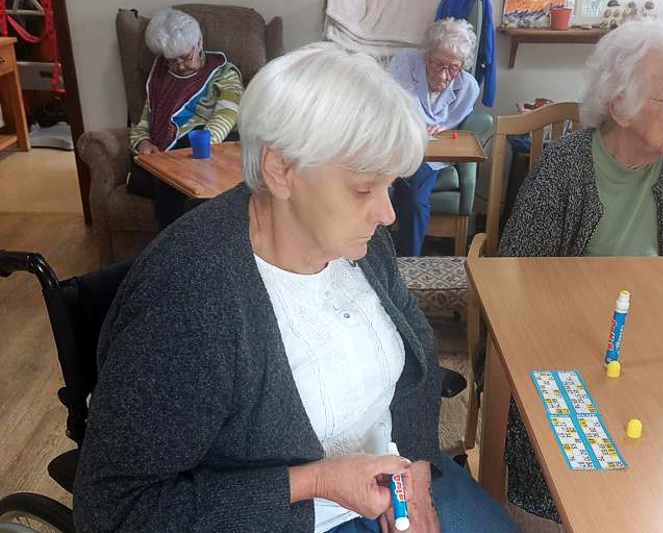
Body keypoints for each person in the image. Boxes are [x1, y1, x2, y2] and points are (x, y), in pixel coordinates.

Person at [73, 42, 520, 533]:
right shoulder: (190, 301)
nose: (388, 214)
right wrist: (316, 480)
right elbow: (115, 511)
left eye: (390, 186)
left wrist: (416, 473)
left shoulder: (359, 243)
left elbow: (416, 357)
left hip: (392, 486)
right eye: (365, 188)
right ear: (280, 169)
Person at [497, 18, 663, 524]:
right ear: (621, 107)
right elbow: (516, 274)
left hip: (652, 323)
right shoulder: (567, 168)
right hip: (566, 335)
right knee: (564, 449)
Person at [126, 8, 244, 229]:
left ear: (199, 43)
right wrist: (143, 143)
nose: (180, 65)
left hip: (207, 150)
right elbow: (143, 123)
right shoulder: (160, 78)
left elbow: (227, 115)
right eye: (172, 61)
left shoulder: (223, 73)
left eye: (185, 57)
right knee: (166, 179)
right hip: (165, 158)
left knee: (177, 176)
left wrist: (199, 146)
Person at [388, 18, 479, 256]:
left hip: (428, 154)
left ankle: (411, 260)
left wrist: (443, 129)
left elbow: (451, 125)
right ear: (426, 54)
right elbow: (389, 104)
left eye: (453, 67)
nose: (445, 74)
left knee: (416, 196)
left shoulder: (468, 87)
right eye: (437, 64)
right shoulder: (404, 63)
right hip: (393, 144)